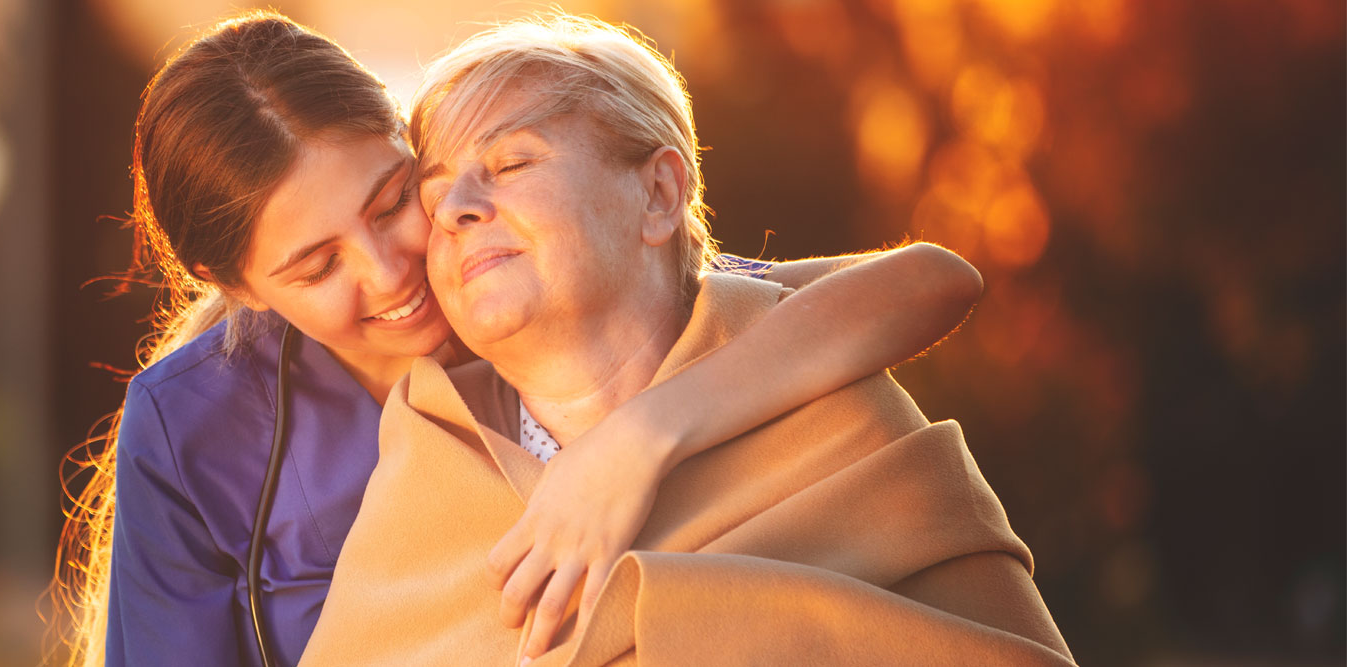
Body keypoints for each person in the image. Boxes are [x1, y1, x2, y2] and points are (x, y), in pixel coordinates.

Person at [56, 11, 990, 667]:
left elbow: (926, 284)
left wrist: (642, 436)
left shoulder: (534, 301)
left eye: (392, 203)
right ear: (238, 288)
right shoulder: (195, 430)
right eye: (316, 267)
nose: (390, 272)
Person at [298, 14, 1073, 665]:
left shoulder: (835, 419)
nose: (460, 206)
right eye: (433, 201)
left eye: (511, 162)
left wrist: (640, 436)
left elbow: (937, 275)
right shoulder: (424, 470)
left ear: (660, 194)